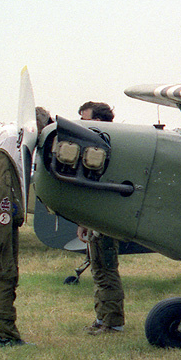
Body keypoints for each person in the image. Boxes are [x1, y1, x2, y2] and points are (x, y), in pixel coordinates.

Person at [0, 107, 51, 347]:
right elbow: (2, 197)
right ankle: (6, 335)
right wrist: (3, 236)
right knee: (6, 273)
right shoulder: (6, 156)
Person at [77, 101, 125, 334]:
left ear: (97, 122)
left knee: (106, 269)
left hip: (105, 218)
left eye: (85, 119)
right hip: (96, 219)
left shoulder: (109, 149)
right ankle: (102, 318)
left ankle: (113, 322)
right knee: (98, 270)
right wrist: (84, 221)